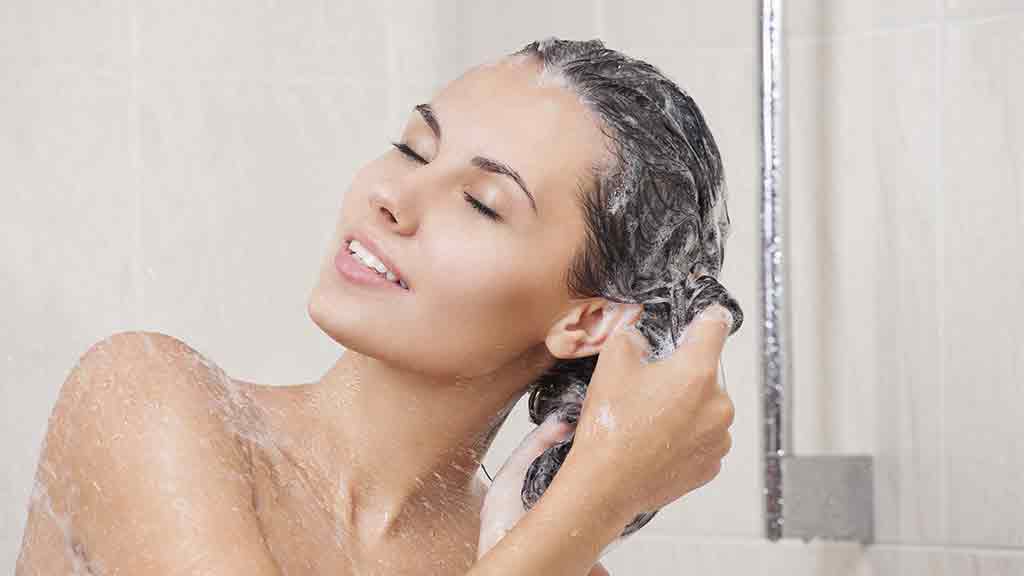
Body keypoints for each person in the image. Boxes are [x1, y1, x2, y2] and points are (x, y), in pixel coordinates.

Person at [16, 37, 742, 575]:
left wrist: (574, 522)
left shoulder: (550, 559)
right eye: (413, 149)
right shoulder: (144, 400)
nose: (392, 196)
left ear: (587, 321)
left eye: (482, 203)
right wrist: (596, 500)